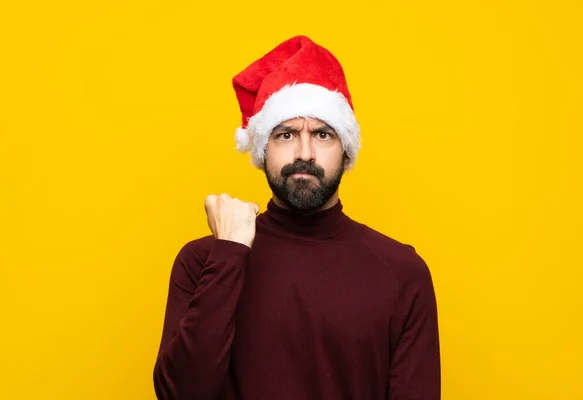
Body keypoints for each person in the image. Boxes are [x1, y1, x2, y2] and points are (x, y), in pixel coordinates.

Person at [152, 35, 441, 400]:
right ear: (262, 150)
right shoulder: (204, 262)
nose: (304, 153)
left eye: (323, 134)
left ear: (346, 152)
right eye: (286, 134)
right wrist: (228, 253)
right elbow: (181, 394)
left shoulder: (402, 273)